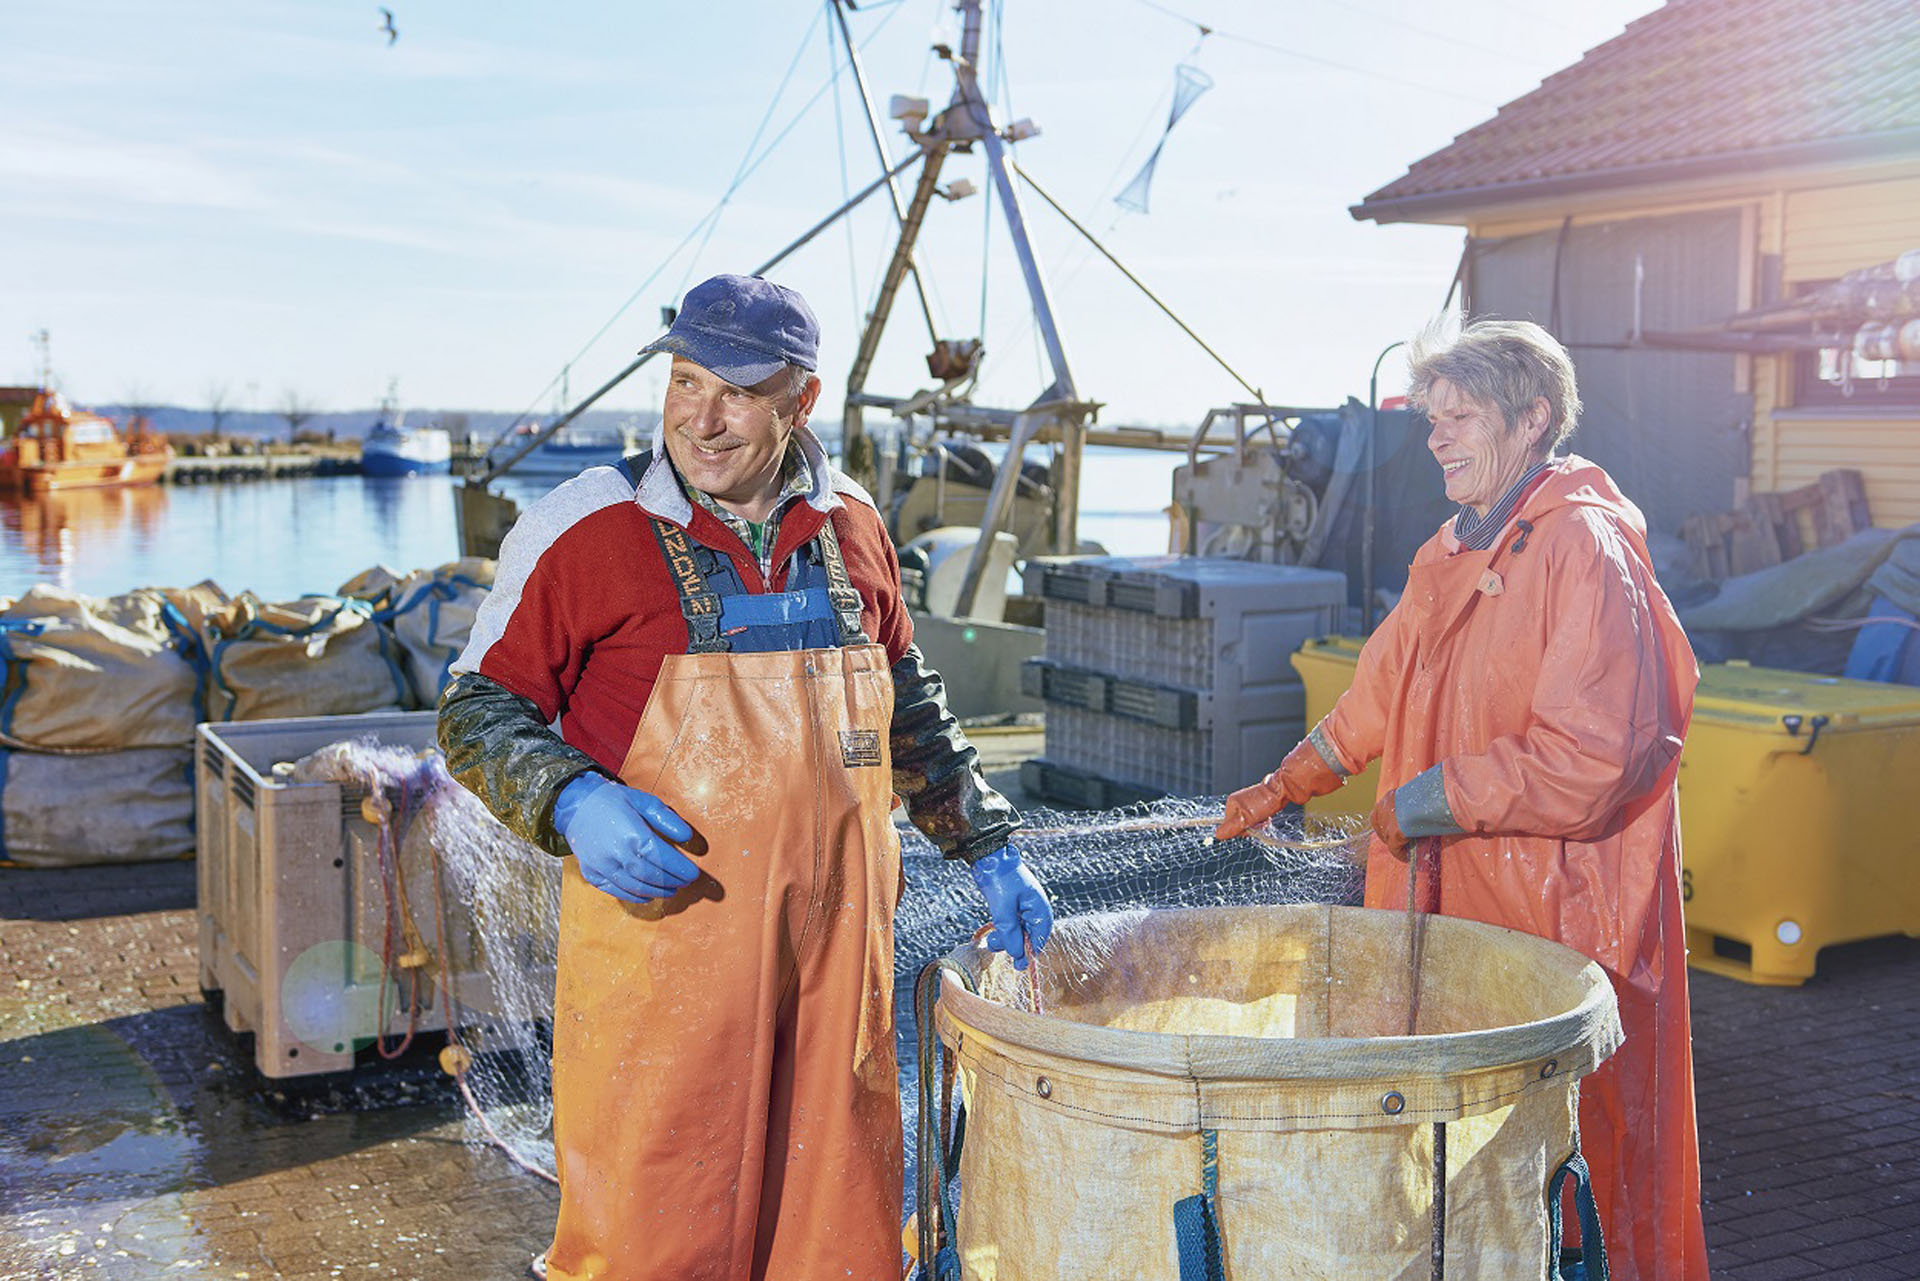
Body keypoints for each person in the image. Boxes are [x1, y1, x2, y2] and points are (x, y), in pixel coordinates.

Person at [438, 273, 1054, 1281]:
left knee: (836, 1232)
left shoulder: (855, 524)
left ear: (799, 402)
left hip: (837, 973)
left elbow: (907, 707)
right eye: (684, 383)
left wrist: (987, 844)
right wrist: (572, 798)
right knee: (651, 1230)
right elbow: (473, 710)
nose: (702, 420)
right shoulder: (586, 527)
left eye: (736, 392)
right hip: (663, 970)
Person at [1215, 316, 1709, 1279]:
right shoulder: (1451, 549)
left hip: (1562, 927)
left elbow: (1596, 754)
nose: (1435, 435)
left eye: (1459, 414)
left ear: (1532, 420)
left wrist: (1425, 799)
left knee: (1568, 1175)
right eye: (1429, 416)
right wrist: (1285, 783)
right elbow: (1374, 696)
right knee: (1458, 1176)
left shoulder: (1586, 548)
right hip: (1453, 915)